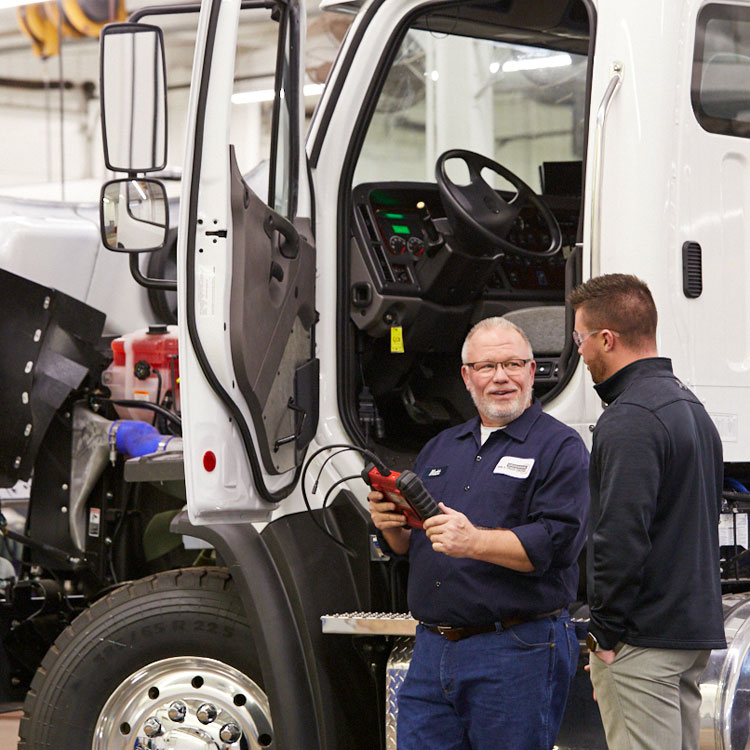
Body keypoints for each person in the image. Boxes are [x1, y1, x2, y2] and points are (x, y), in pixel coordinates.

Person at [369, 316, 589, 750]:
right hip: (432, 650)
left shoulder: (560, 447)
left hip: (516, 650)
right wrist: (389, 525)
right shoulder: (440, 448)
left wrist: (474, 542)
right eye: (487, 367)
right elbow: (413, 547)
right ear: (467, 377)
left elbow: (557, 544)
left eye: (512, 364)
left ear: (531, 371)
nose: (500, 377)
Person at [568, 273, 726, 750]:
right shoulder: (690, 406)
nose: (579, 352)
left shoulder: (630, 417)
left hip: (641, 640)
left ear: (607, 339)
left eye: (580, 339)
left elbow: (619, 536)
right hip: (684, 632)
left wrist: (603, 635)